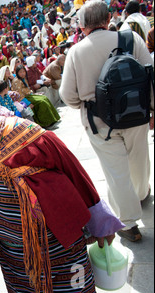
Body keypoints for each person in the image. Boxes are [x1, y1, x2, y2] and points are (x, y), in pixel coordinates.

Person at [0, 72, 124, 293]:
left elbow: (76, 176)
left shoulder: (28, 137)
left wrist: (101, 224)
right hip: (16, 264)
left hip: (64, 249)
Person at [59, 0, 153, 242]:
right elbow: (150, 77)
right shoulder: (130, 39)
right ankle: (142, 194)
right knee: (139, 158)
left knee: (116, 171)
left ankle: (129, 224)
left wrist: (87, 104)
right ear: (108, 18)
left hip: (100, 122)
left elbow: (68, 95)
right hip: (136, 113)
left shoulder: (76, 51)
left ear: (82, 26)